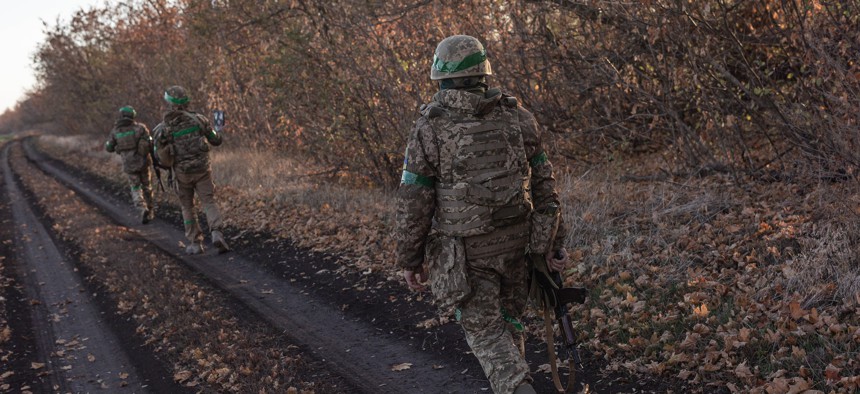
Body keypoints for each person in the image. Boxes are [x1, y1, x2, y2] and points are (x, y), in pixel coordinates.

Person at [393, 35, 570, 394]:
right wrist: (554, 241)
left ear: (441, 78)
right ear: (482, 74)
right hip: (517, 245)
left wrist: (410, 258)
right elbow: (545, 184)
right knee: (508, 324)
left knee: (486, 333)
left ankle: (520, 388)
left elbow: (415, 199)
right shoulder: (518, 116)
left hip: (467, 254)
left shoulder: (430, 126)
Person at [154, 85, 230, 255]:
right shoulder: (199, 119)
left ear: (169, 103)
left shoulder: (163, 128)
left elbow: (157, 155)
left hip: (181, 174)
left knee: (187, 207)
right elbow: (216, 140)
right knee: (209, 201)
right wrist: (219, 128)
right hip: (203, 170)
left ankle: (196, 243)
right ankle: (217, 233)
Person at [105, 105, 155, 224]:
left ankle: (142, 208)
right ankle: (151, 210)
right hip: (143, 163)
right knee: (147, 186)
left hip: (129, 165)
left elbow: (109, 148)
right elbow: (150, 142)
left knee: (135, 188)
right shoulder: (140, 128)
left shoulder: (116, 131)